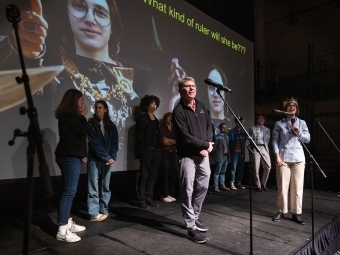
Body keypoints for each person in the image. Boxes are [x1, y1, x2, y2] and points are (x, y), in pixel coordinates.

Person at [172, 77, 214, 244]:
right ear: (181, 90)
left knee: (203, 185)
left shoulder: (202, 106)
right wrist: (204, 144)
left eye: (193, 86)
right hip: (187, 156)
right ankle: (191, 227)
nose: (191, 89)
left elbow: (209, 127)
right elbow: (185, 137)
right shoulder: (178, 111)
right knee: (187, 191)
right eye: (187, 86)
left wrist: (209, 144)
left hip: (203, 154)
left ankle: (194, 215)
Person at [54, 88, 89, 242]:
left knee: (69, 190)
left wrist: (82, 154)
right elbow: (82, 132)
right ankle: (62, 230)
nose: (83, 102)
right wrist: (82, 116)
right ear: (74, 100)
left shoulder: (69, 116)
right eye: (81, 99)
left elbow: (75, 138)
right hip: (68, 157)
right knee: (69, 191)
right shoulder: (70, 116)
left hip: (70, 156)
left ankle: (66, 221)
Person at [272, 97, 310, 225]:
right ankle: (281, 210)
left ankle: (296, 213)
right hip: (284, 158)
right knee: (282, 186)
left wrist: (298, 132)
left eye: (294, 106)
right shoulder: (279, 124)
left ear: (297, 109)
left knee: (297, 187)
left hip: (298, 158)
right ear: (285, 109)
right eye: (289, 106)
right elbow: (274, 141)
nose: (291, 107)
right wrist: (277, 156)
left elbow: (307, 139)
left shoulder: (302, 123)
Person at [87, 100, 118, 221]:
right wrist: (107, 157)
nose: (98, 110)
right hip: (95, 159)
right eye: (96, 107)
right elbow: (94, 144)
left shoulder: (111, 125)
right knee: (93, 187)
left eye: (100, 107)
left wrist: (112, 157)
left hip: (108, 159)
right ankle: (93, 213)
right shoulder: (91, 124)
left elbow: (114, 143)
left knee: (105, 186)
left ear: (105, 109)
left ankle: (104, 210)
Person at [135, 95, 161, 209]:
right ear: (146, 105)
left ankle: (149, 198)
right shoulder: (142, 119)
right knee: (144, 176)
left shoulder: (156, 120)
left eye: (155, 104)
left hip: (156, 151)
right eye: (152, 103)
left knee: (153, 176)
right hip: (146, 151)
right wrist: (144, 150)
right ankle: (141, 199)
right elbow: (139, 136)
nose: (154, 106)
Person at [206, 64, 231, 135]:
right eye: (211, 88)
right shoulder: (204, 122)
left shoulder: (231, 124)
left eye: (219, 88)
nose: (216, 94)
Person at [249, 115, 271, 192]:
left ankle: (263, 184)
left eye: (263, 118)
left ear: (264, 120)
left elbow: (267, 139)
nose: (261, 119)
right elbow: (250, 139)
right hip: (256, 147)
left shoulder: (267, 129)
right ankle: (258, 186)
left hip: (264, 148)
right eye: (259, 118)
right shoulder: (252, 128)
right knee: (256, 168)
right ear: (257, 120)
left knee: (268, 166)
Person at [159, 112, 177, 203]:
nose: (170, 119)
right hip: (165, 152)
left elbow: (178, 141)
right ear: (165, 118)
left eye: (171, 118)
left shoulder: (174, 128)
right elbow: (164, 142)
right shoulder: (162, 127)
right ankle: (164, 194)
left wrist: (170, 141)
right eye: (168, 117)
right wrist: (172, 141)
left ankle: (171, 193)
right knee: (165, 173)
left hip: (173, 152)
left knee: (172, 173)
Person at [228, 116, 247, 190]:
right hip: (234, 152)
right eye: (238, 122)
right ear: (236, 123)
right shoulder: (232, 131)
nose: (240, 124)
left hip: (242, 152)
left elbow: (244, 141)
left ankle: (239, 183)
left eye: (241, 122)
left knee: (241, 168)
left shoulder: (243, 131)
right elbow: (230, 142)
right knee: (233, 168)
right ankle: (232, 182)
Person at [213, 123, 230, 192]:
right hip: (219, 156)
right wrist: (213, 156)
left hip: (226, 156)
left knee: (223, 171)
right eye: (223, 127)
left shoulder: (227, 137)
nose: (225, 129)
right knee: (217, 171)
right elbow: (214, 147)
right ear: (220, 128)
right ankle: (215, 186)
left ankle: (222, 185)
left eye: (226, 127)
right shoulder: (217, 137)